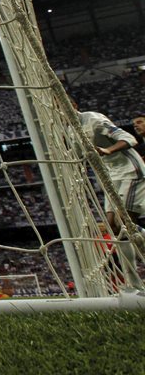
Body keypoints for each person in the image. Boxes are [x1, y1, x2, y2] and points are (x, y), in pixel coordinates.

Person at [75, 97, 145, 287]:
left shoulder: (93, 119)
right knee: (115, 229)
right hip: (111, 176)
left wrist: (108, 150)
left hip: (129, 171)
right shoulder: (67, 131)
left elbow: (129, 138)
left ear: (71, 106)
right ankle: (133, 282)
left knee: (124, 224)